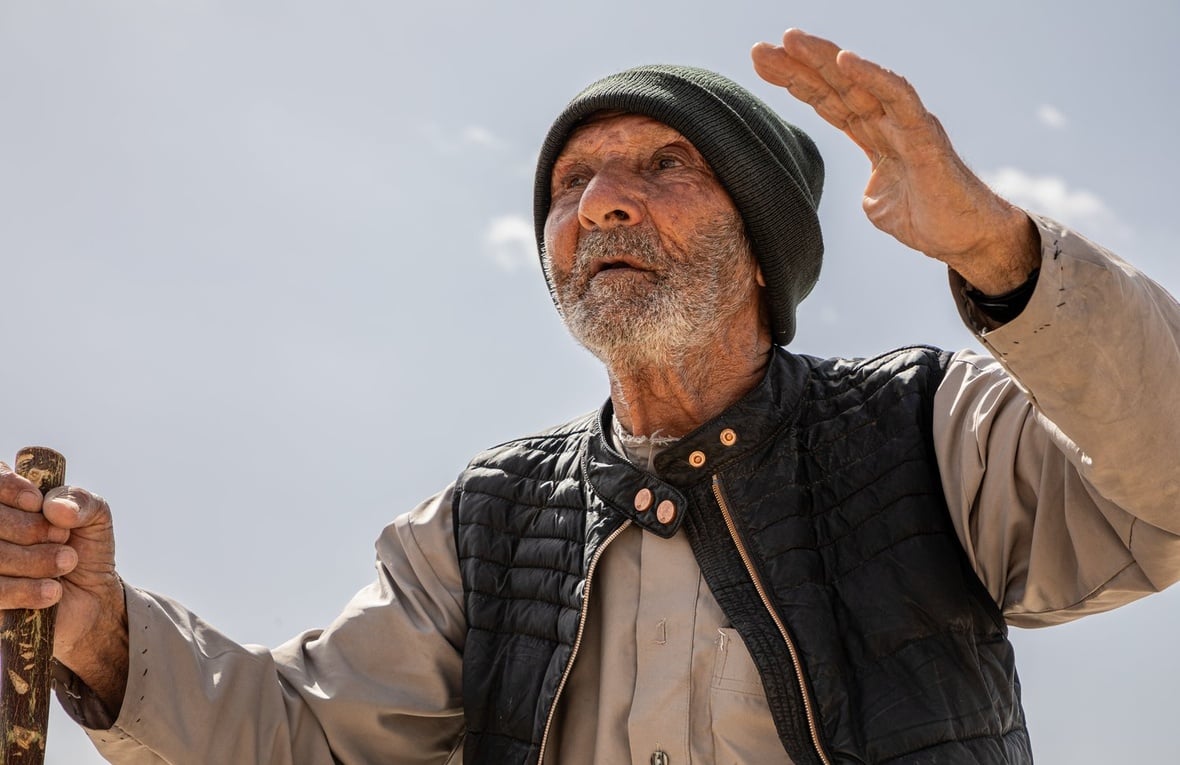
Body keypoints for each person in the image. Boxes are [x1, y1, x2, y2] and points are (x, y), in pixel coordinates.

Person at [1, 27, 1178, 765]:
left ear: (764, 246)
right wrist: (101, 634)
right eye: (572, 179)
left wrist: (1000, 250)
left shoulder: (937, 430)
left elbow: (1161, 483)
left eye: (665, 166)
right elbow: (302, 738)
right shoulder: (482, 522)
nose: (602, 202)